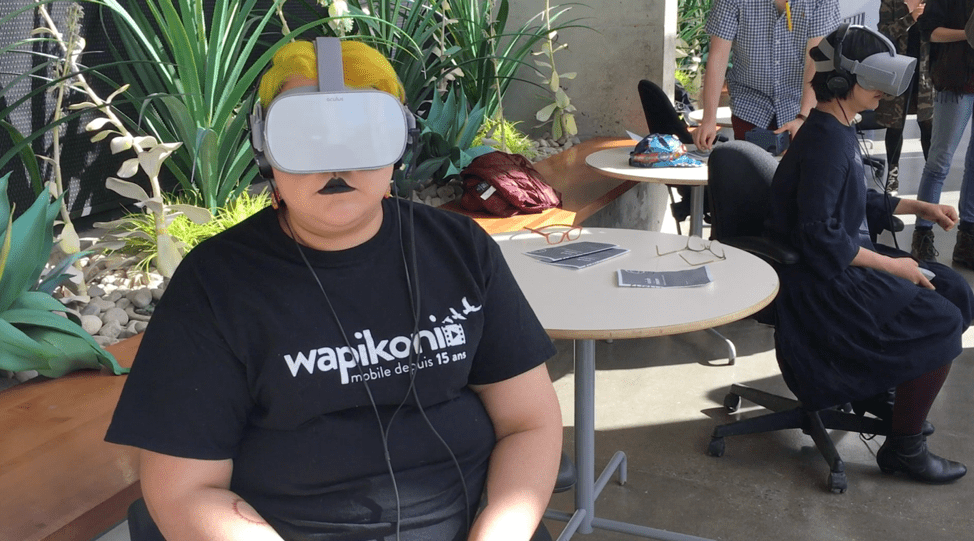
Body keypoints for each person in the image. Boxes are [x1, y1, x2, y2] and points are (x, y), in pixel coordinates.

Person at [104, 39, 564, 541]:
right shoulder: (216, 284)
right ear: (266, 149)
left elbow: (529, 422)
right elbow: (185, 490)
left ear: (401, 144)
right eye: (307, 137)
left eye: (361, 135)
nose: (335, 164)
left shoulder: (460, 249)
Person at [767, 24, 972, 484]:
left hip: (843, 262)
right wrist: (893, 265)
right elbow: (820, 235)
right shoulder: (823, 143)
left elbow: (858, 201)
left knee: (956, 289)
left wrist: (918, 205)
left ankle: (889, 400)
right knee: (940, 320)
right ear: (840, 83)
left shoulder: (837, 129)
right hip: (823, 282)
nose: (882, 92)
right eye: (873, 82)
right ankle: (904, 449)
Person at [692, 0, 840, 151]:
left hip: (801, 106)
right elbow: (718, 55)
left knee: (801, 171)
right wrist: (709, 120)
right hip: (750, 106)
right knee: (751, 170)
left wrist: (804, 117)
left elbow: (815, 60)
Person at [910, 0, 974, 265]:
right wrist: (967, 36)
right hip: (954, 78)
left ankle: (968, 239)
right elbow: (929, 29)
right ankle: (923, 235)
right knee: (939, 161)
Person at [875, 0, 934, 194]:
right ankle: (893, 176)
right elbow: (883, 34)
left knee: (928, 125)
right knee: (894, 127)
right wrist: (910, 18)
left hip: (926, 73)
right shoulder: (891, 2)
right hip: (897, 71)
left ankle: (931, 175)